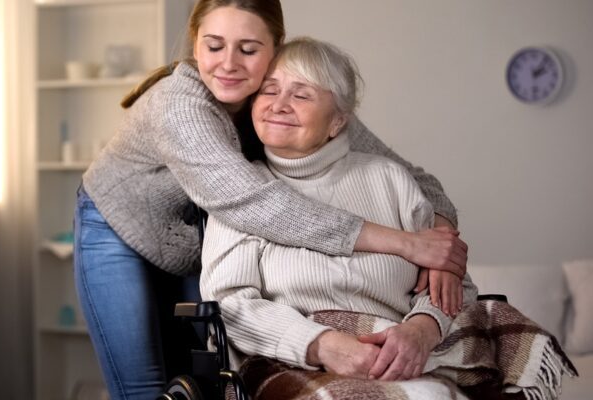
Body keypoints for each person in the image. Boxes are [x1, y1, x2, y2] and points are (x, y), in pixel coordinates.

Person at [74, 1, 467, 399]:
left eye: (248, 49)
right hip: (117, 227)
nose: (229, 64)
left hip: (194, 238)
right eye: (214, 46)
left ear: (275, 48)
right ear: (195, 45)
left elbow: (414, 177)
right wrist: (405, 243)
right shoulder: (180, 105)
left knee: (204, 378)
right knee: (144, 387)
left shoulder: (292, 92)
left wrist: (440, 242)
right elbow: (258, 206)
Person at [200, 37, 575, 400]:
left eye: (301, 94)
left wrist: (421, 330)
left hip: (406, 353)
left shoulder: (389, 179)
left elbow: (453, 283)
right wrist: (321, 344)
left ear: (337, 121)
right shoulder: (244, 192)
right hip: (290, 359)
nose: (279, 104)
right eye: (269, 90)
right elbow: (230, 305)